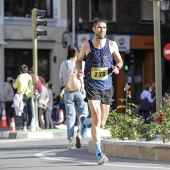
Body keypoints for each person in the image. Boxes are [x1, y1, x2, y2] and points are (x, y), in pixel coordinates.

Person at [76, 18, 123, 165]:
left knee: (101, 123)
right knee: (96, 116)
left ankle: (84, 122)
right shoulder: (86, 45)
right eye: (99, 27)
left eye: (104, 27)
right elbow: (78, 61)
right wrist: (79, 71)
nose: (102, 30)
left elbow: (120, 61)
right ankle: (98, 153)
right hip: (91, 85)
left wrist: (117, 67)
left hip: (107, 86)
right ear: (94, 29)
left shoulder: (112, 45)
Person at [59, 43, 89, 149]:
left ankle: (70, 141)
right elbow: (86, 78)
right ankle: (79, 133)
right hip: (80, 92)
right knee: (83, 114)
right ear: (78, 53)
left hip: (68, 93)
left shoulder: (64, 64)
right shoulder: (83, 64)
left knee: (70, 117)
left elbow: (61, 79)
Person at [13, 64, 33, 131]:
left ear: (21, 70)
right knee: (30, 111)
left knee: (24, 111)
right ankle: (29, 125)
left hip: (22, 95)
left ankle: (24, 125)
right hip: (29, 95)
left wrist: (13, 82)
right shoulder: (29, 76)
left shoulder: (20, 77)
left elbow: (15, 86)